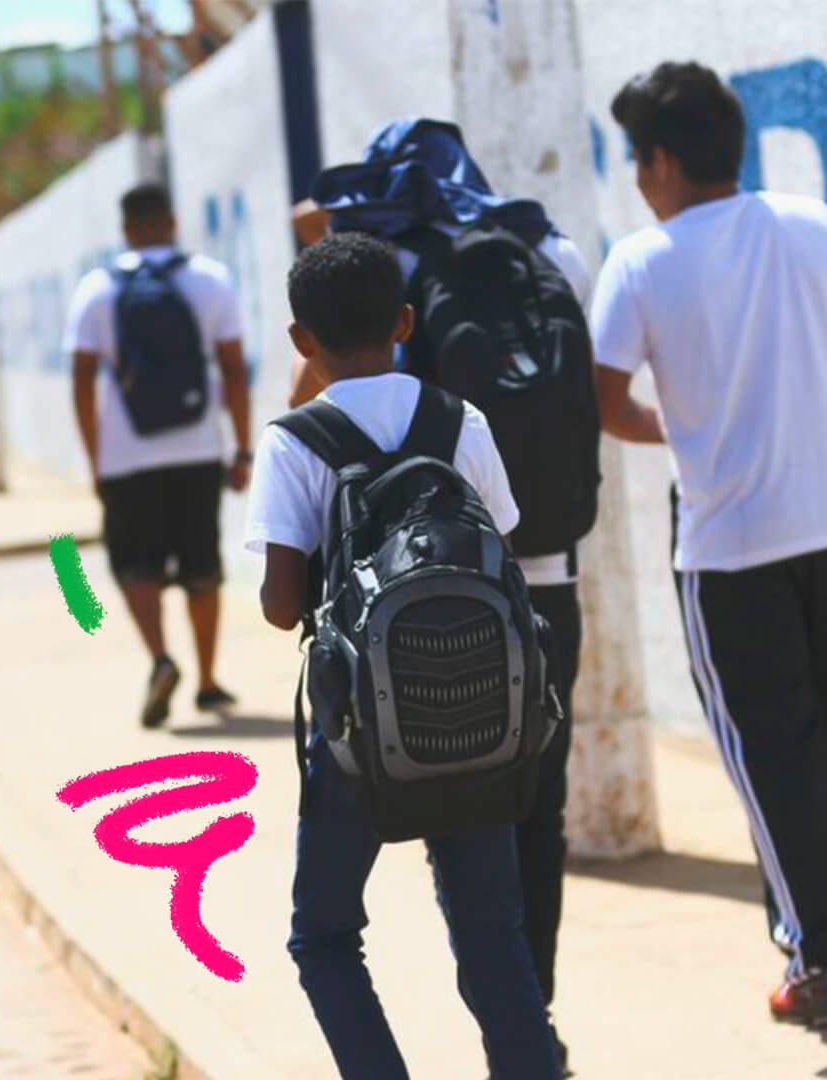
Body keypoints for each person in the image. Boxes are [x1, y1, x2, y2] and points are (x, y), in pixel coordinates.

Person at [588, 61, 827, 1027]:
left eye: (640, 157)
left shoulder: (642, 261)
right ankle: (826, 932)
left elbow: (603, 400)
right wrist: (797, 387)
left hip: (730, 548)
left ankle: (824, 959)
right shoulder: (809, 221)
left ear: (666, 162)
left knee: (769, 756)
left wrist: (688, 428)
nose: (639, 176)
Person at [291, 118, 594, 1066]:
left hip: (368, 688)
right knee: (511, 854)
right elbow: (501, 536)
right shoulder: (542, 249)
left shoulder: (303, 424)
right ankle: (532, 1034)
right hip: (527, 618)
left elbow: (279, 589)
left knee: (327, 928)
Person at [245, 232, 560, 1080]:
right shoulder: (460, 420)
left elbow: (281, 610)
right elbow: (505, 539)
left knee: (323, 934)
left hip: (358, 731)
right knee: (494, 935)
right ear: (407, 322)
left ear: (300, 341)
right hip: (476, 714)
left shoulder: (293, 441)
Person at [68, 181, 253, 728]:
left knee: (135, 565)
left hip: (127, 456)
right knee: (202, 566)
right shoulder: (210, 280)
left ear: (126, 229)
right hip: (197, 447)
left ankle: (159, 658)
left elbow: (80, 379)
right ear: (172, 222)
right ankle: (208, 680)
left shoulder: (96, 289)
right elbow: (234, 370)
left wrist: (96, 457)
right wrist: (240, 447)